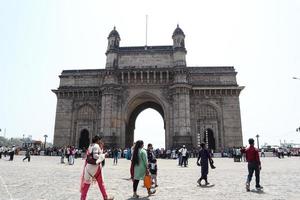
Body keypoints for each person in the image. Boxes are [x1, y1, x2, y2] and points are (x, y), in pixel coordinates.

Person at [80, 136, 114, 200]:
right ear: (98, 140)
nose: (100, 141)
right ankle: (105, 197)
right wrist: (104, 155)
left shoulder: (90, 145)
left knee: (86, 184)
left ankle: (82, 198)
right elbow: (95, 156)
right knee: (101, 183)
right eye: (100, 140)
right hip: (95, 168)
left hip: (88, 168)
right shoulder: (96, 146)